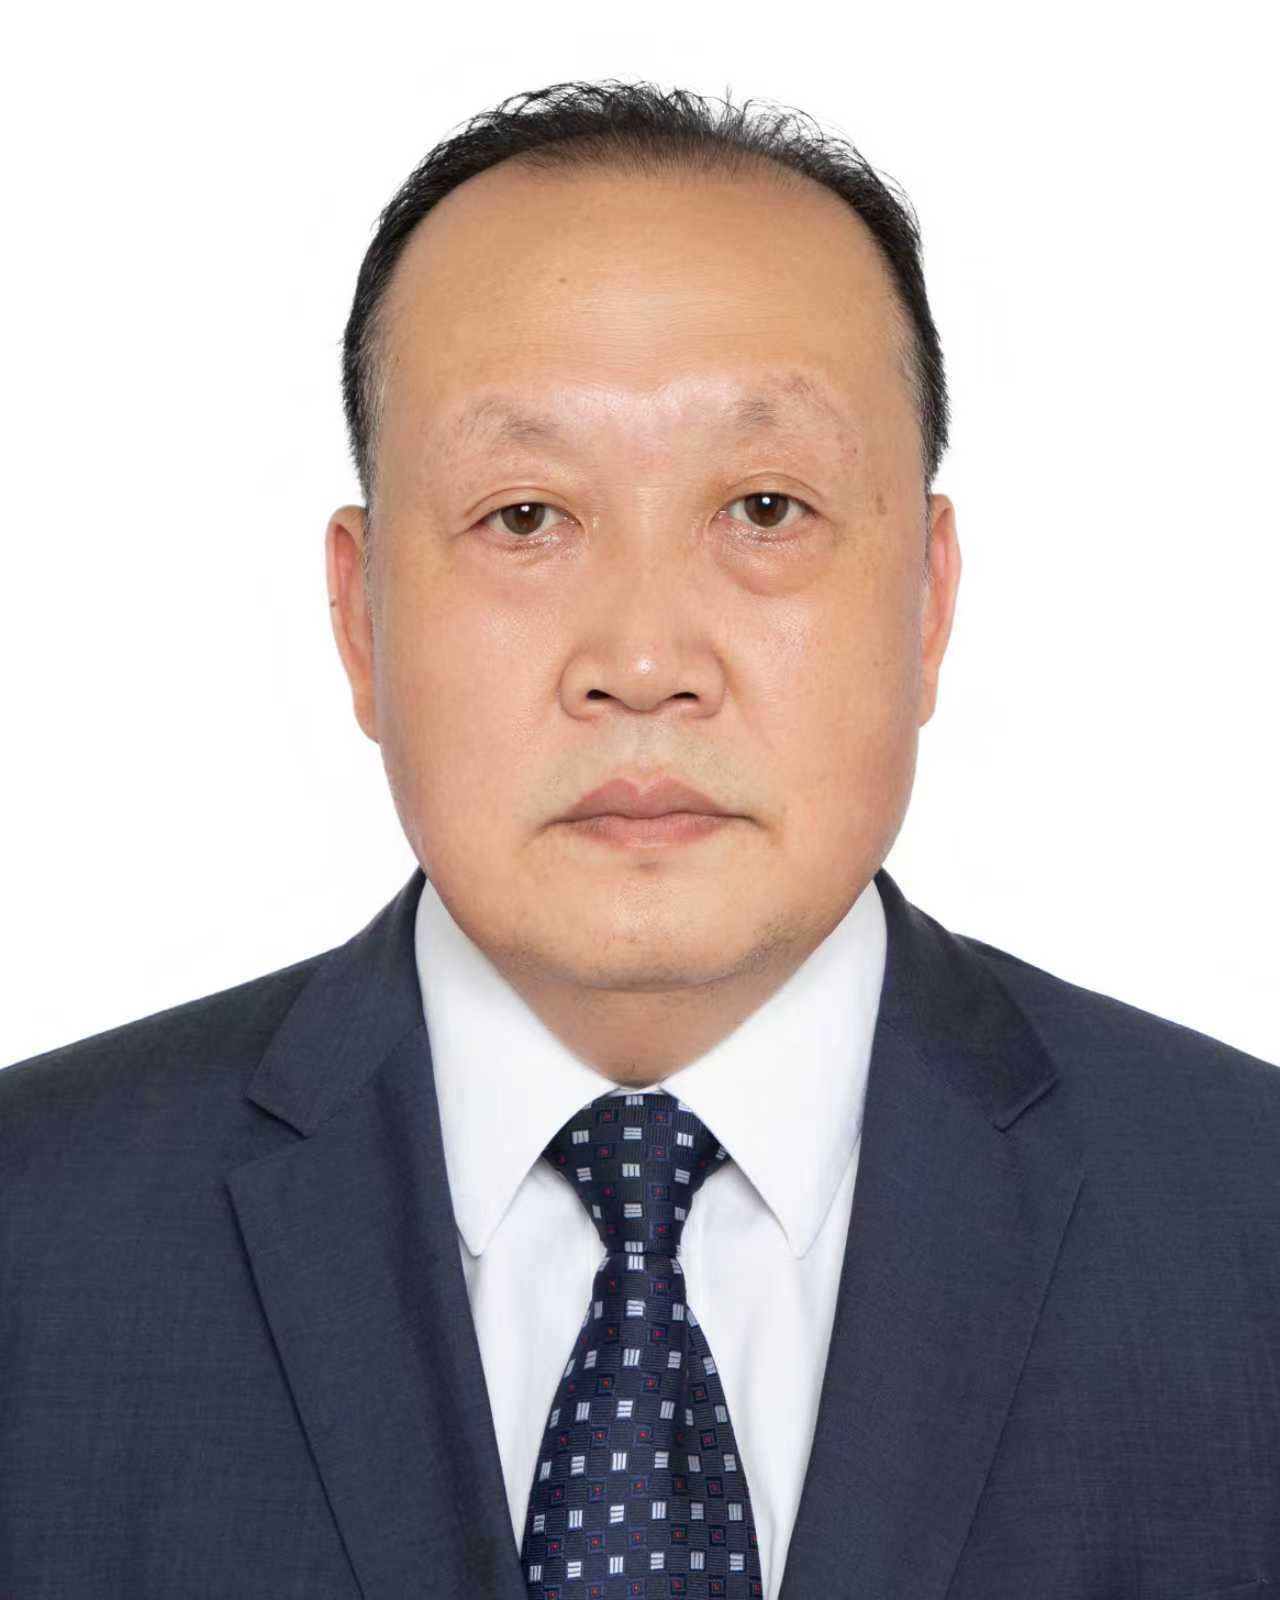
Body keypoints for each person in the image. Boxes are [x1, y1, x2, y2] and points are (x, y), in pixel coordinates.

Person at [2, 78, 1275, 1600]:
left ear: (930, 601)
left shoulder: (1245, 1226)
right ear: (357, 614)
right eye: (526, 517)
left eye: (766, 507)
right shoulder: (34, 1234)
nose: (647, 660)